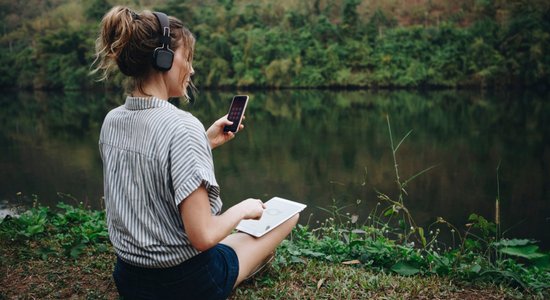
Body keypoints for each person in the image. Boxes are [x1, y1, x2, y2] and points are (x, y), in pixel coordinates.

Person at [91, 6, 299, 300]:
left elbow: (149, 167)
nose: (191, 69)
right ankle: (249, 265)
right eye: (186, 58)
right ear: (164, 59)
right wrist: (244, 208)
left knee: (239, 242)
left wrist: (204, 142)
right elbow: (202, 237)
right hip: (187, 285)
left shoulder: (112, 120)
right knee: (287, 217)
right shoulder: (181, 127)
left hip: (129, 280)